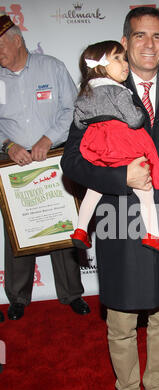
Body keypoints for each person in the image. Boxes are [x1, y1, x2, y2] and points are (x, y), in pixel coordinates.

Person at [61, 7, 159, 390]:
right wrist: (119, 177)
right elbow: (73, 162)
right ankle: (128, 389)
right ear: (125, 42)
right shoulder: (98, 93)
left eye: (157, 36)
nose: (149, 44)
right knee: (120, 319)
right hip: (117, 217)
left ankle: (158, 385)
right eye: (139, 36)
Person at [0, 14, 90, 320]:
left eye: (0, 44)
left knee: (63, 226)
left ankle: (71, 293)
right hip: (12, 162)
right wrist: (8, 145)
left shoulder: (51, 67)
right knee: (18, 229)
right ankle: (18, 297)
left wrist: (47, 138)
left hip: (54, 156)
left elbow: (72, 108)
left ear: (17, 40)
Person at [70, 40, 159, 256]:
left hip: (96, 147)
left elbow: (79, 121)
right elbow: (135, 120)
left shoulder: (85, 92)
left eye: (124, 58)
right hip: (121, 145)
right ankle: (153, 235)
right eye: (117, 58)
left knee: (94, 188)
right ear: (100, 66)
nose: (125, 63)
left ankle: (80, 229)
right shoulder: (119, 91)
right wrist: (137, 111)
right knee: (146, 191)